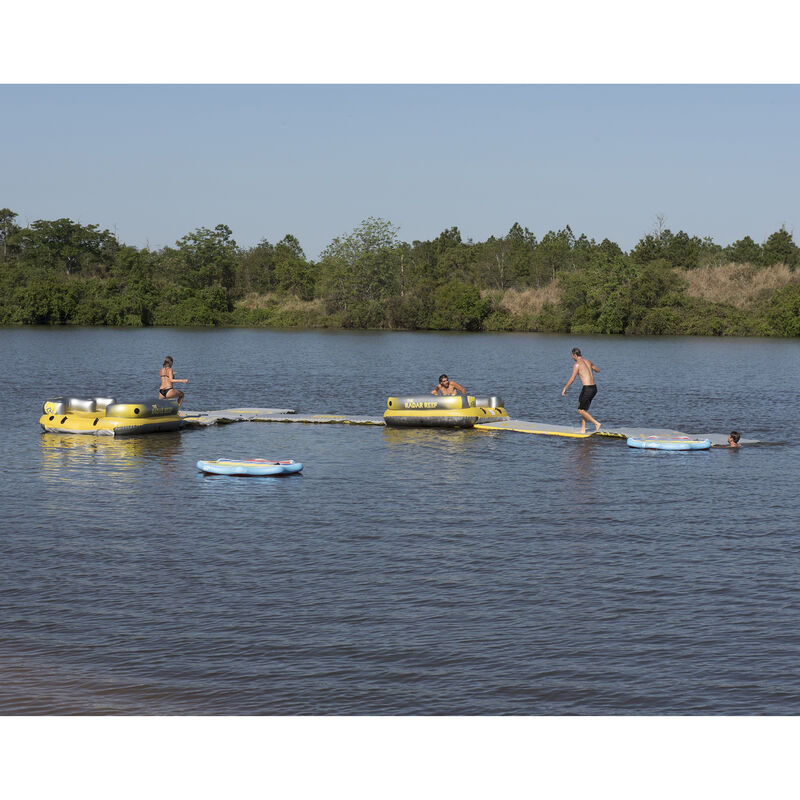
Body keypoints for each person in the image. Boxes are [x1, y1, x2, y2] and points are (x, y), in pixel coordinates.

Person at [561, 347, 601, 433]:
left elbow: (572, 379)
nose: (572, 358)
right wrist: (591, 369)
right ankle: (583, 429)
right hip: (594, 388)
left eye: (572, 356)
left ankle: (596, 423)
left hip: (587, 389)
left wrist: (565, 388)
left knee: (580, 410)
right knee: (584, 409)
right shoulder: (589, 362)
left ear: (575, 355)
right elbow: (598, 370)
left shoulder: (577, 364)